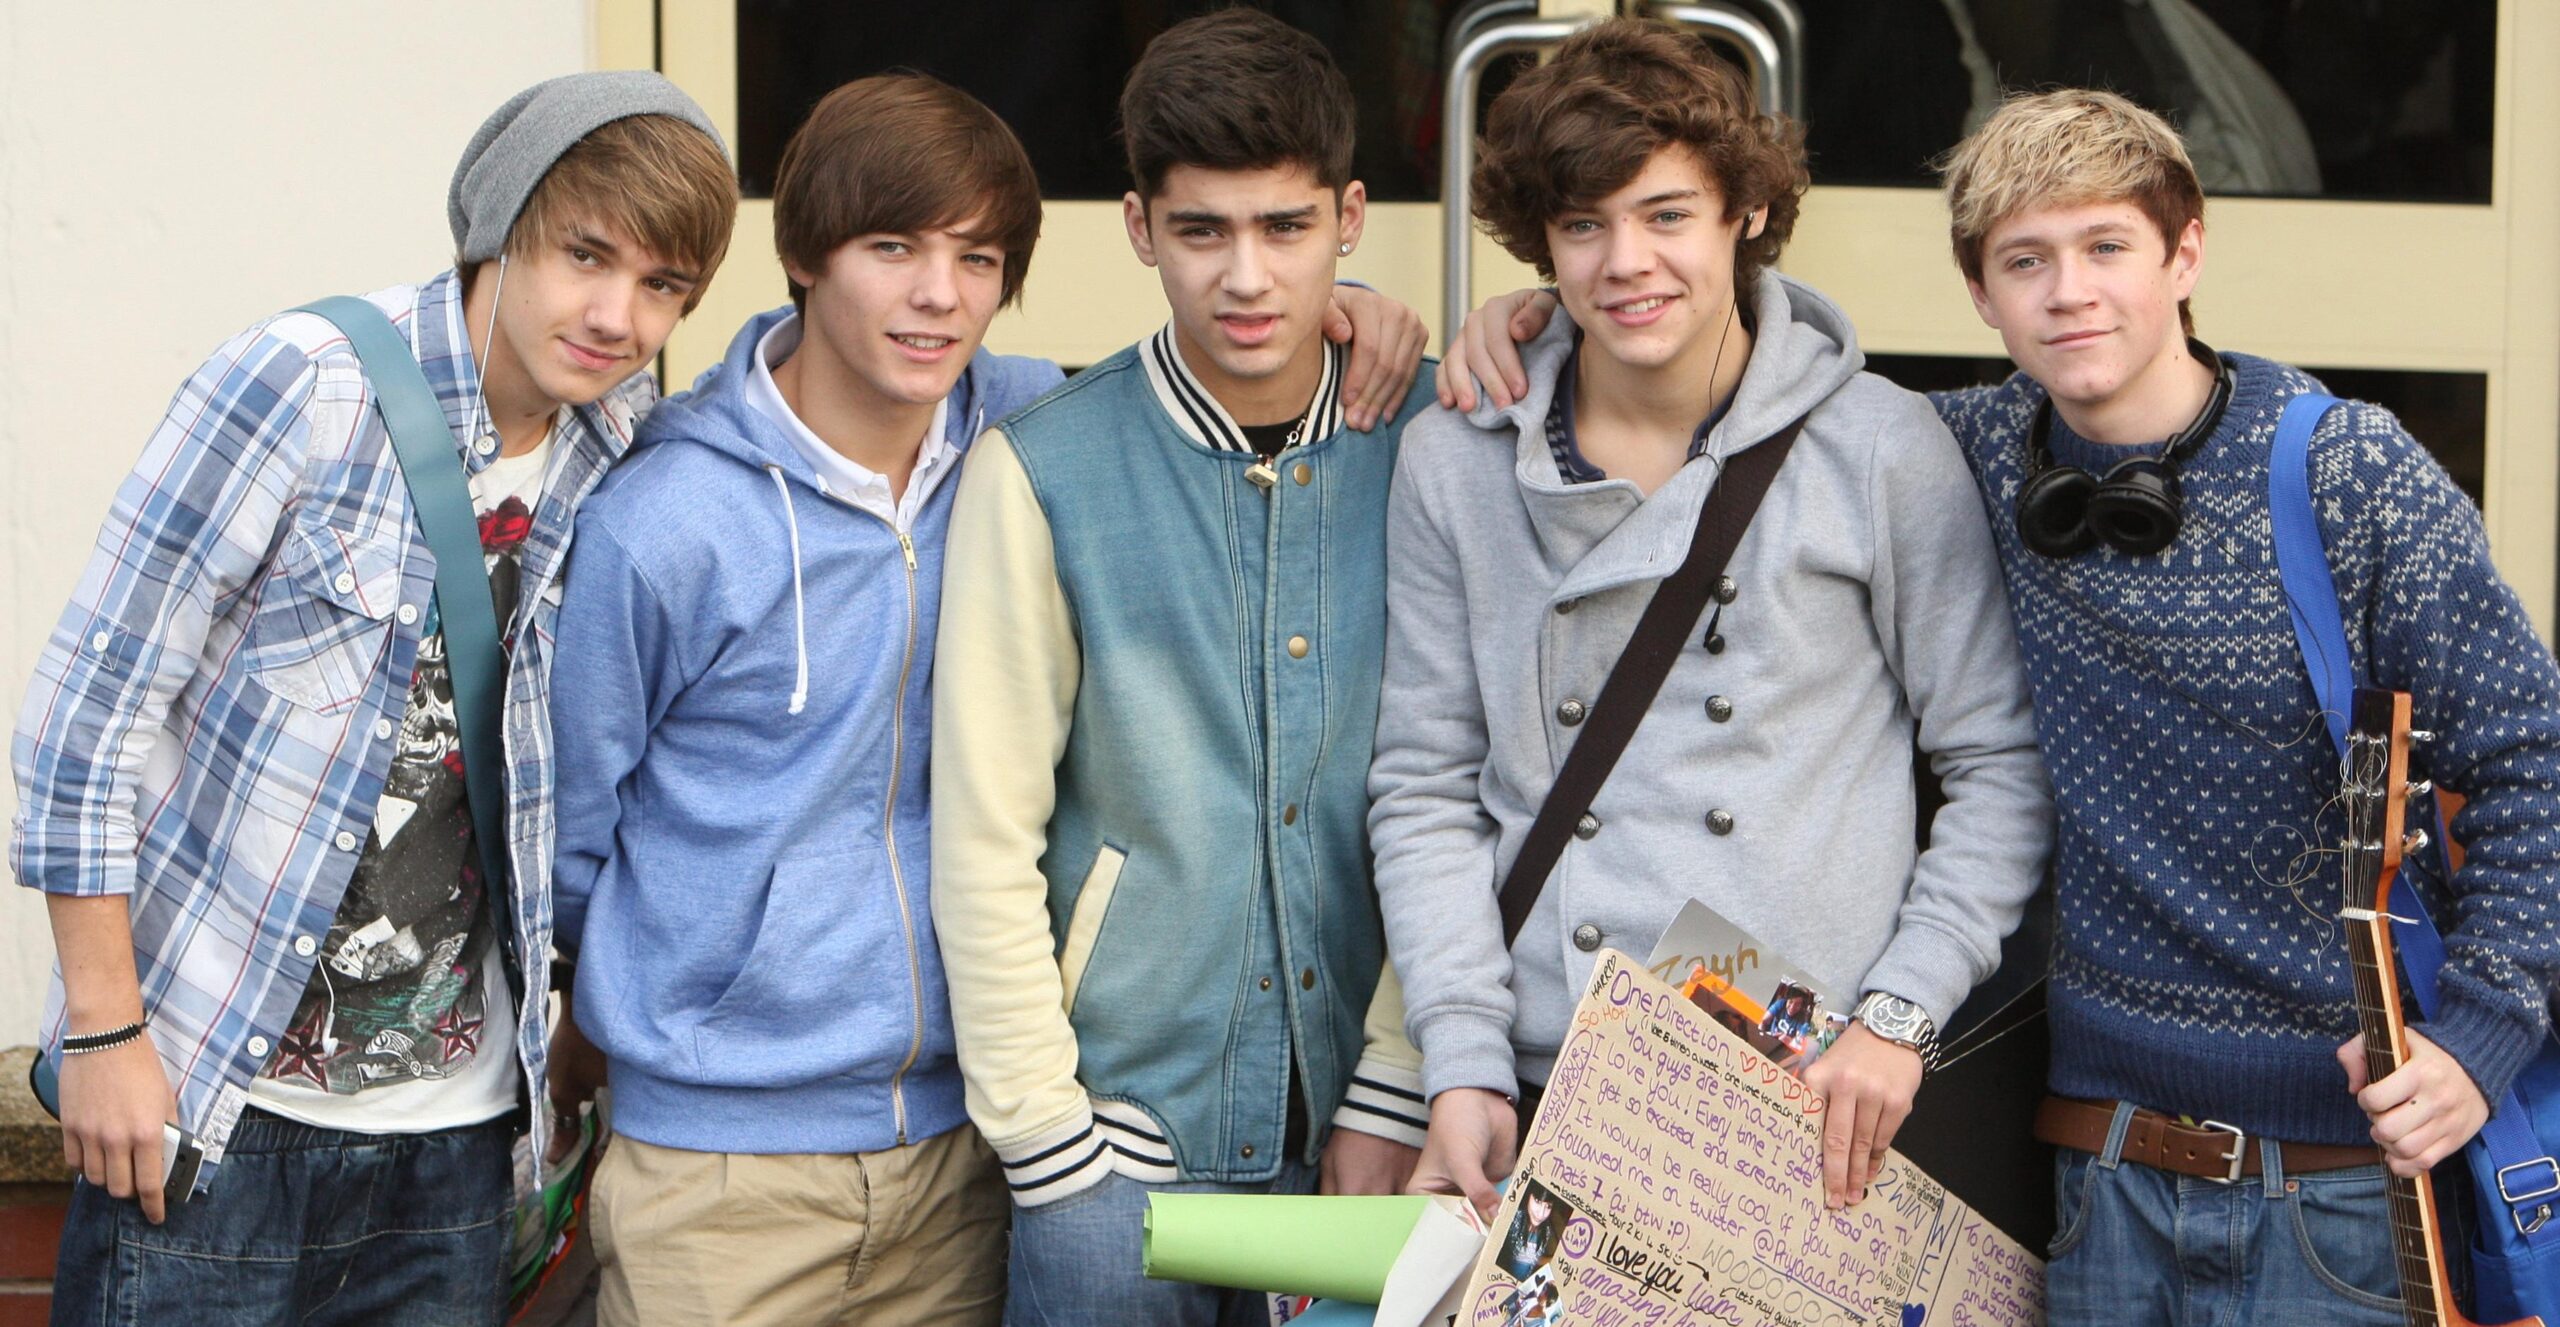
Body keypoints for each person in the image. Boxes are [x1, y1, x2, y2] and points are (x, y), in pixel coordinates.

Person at [1444, 84, 2560, 1320]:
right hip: (2091, 1168)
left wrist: (2478, 1038)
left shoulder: (2347, 473)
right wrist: (1538, 325)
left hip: (2342, 1173)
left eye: (2106, 248)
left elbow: (2531, 763)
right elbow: (1719, 376)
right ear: (1979, 294)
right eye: (2024, 260)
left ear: (2186, 252)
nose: (2067, 292)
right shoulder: (1949, 453)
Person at [547, 63, 1428, 1327]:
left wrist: (1360, 312)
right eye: (892, 247)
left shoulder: (1021, 423)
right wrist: (670, 1004)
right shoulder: (669, 517)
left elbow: (1206, 371)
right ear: (801, 254)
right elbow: (571, 841)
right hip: (728, 1160)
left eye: (975, 257)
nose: (936, 295)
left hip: (958, 1148)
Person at [18, 72, 736, 1325]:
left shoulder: (622, 453)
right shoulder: (305, 384)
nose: (619, 315)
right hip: (214, 1107)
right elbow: (90, 709)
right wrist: (102, 1034)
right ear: (500, 229)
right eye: (586, 256)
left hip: (454, 1147)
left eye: (664, 286)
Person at [1367, 17, 2051, 1220]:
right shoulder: (1456, 458)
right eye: (1583, 225)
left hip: (1812, 1093)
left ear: (1744, 211)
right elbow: (1425, 784)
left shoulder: (1877, 448)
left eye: (1666, 214)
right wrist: (1462, 1053)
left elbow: (1998, 766)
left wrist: (1900, 1014)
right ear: (1542, 245)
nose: (1625, 261)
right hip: (1545, 1070)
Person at [930, 9, 1440, 1323]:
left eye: (1286, 228)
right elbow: (985, 833)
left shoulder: (1439, 447)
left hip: (1372, 1129)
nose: (1248, 276)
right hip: (1117, 1142)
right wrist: (1051, 1145)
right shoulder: (1043, 469)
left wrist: (1397, 1076)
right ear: (1142, 229)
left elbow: (1479, 789)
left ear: (1352, 218)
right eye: (1203, 230)